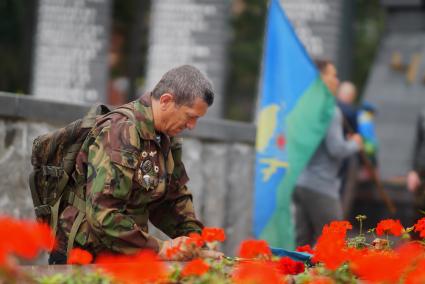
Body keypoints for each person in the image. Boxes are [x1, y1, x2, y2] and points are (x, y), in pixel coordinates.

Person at [49, 65, 223, 264]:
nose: (192, 126)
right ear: (166, 100)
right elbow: (103, 215)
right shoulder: (120, 131)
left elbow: (171, 200)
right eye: (190, 116)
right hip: (84, 259)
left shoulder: (164, 137)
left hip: (122, 257)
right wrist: (161, 248)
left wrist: (197, 242)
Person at [293, 60, 363, 247]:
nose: (337, 80)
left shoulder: (305, 106)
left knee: (302, 246)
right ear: (320, 78)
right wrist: (355, 143)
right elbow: (336, 149)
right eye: (333, 75)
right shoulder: (329, 110)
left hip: (300, 183)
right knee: (335, 242)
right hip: (321, 185)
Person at [407, 109, 425, 227]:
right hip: (422, 171)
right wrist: (413, 171)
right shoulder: (423, 114)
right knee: (419, 214)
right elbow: (417, 143)